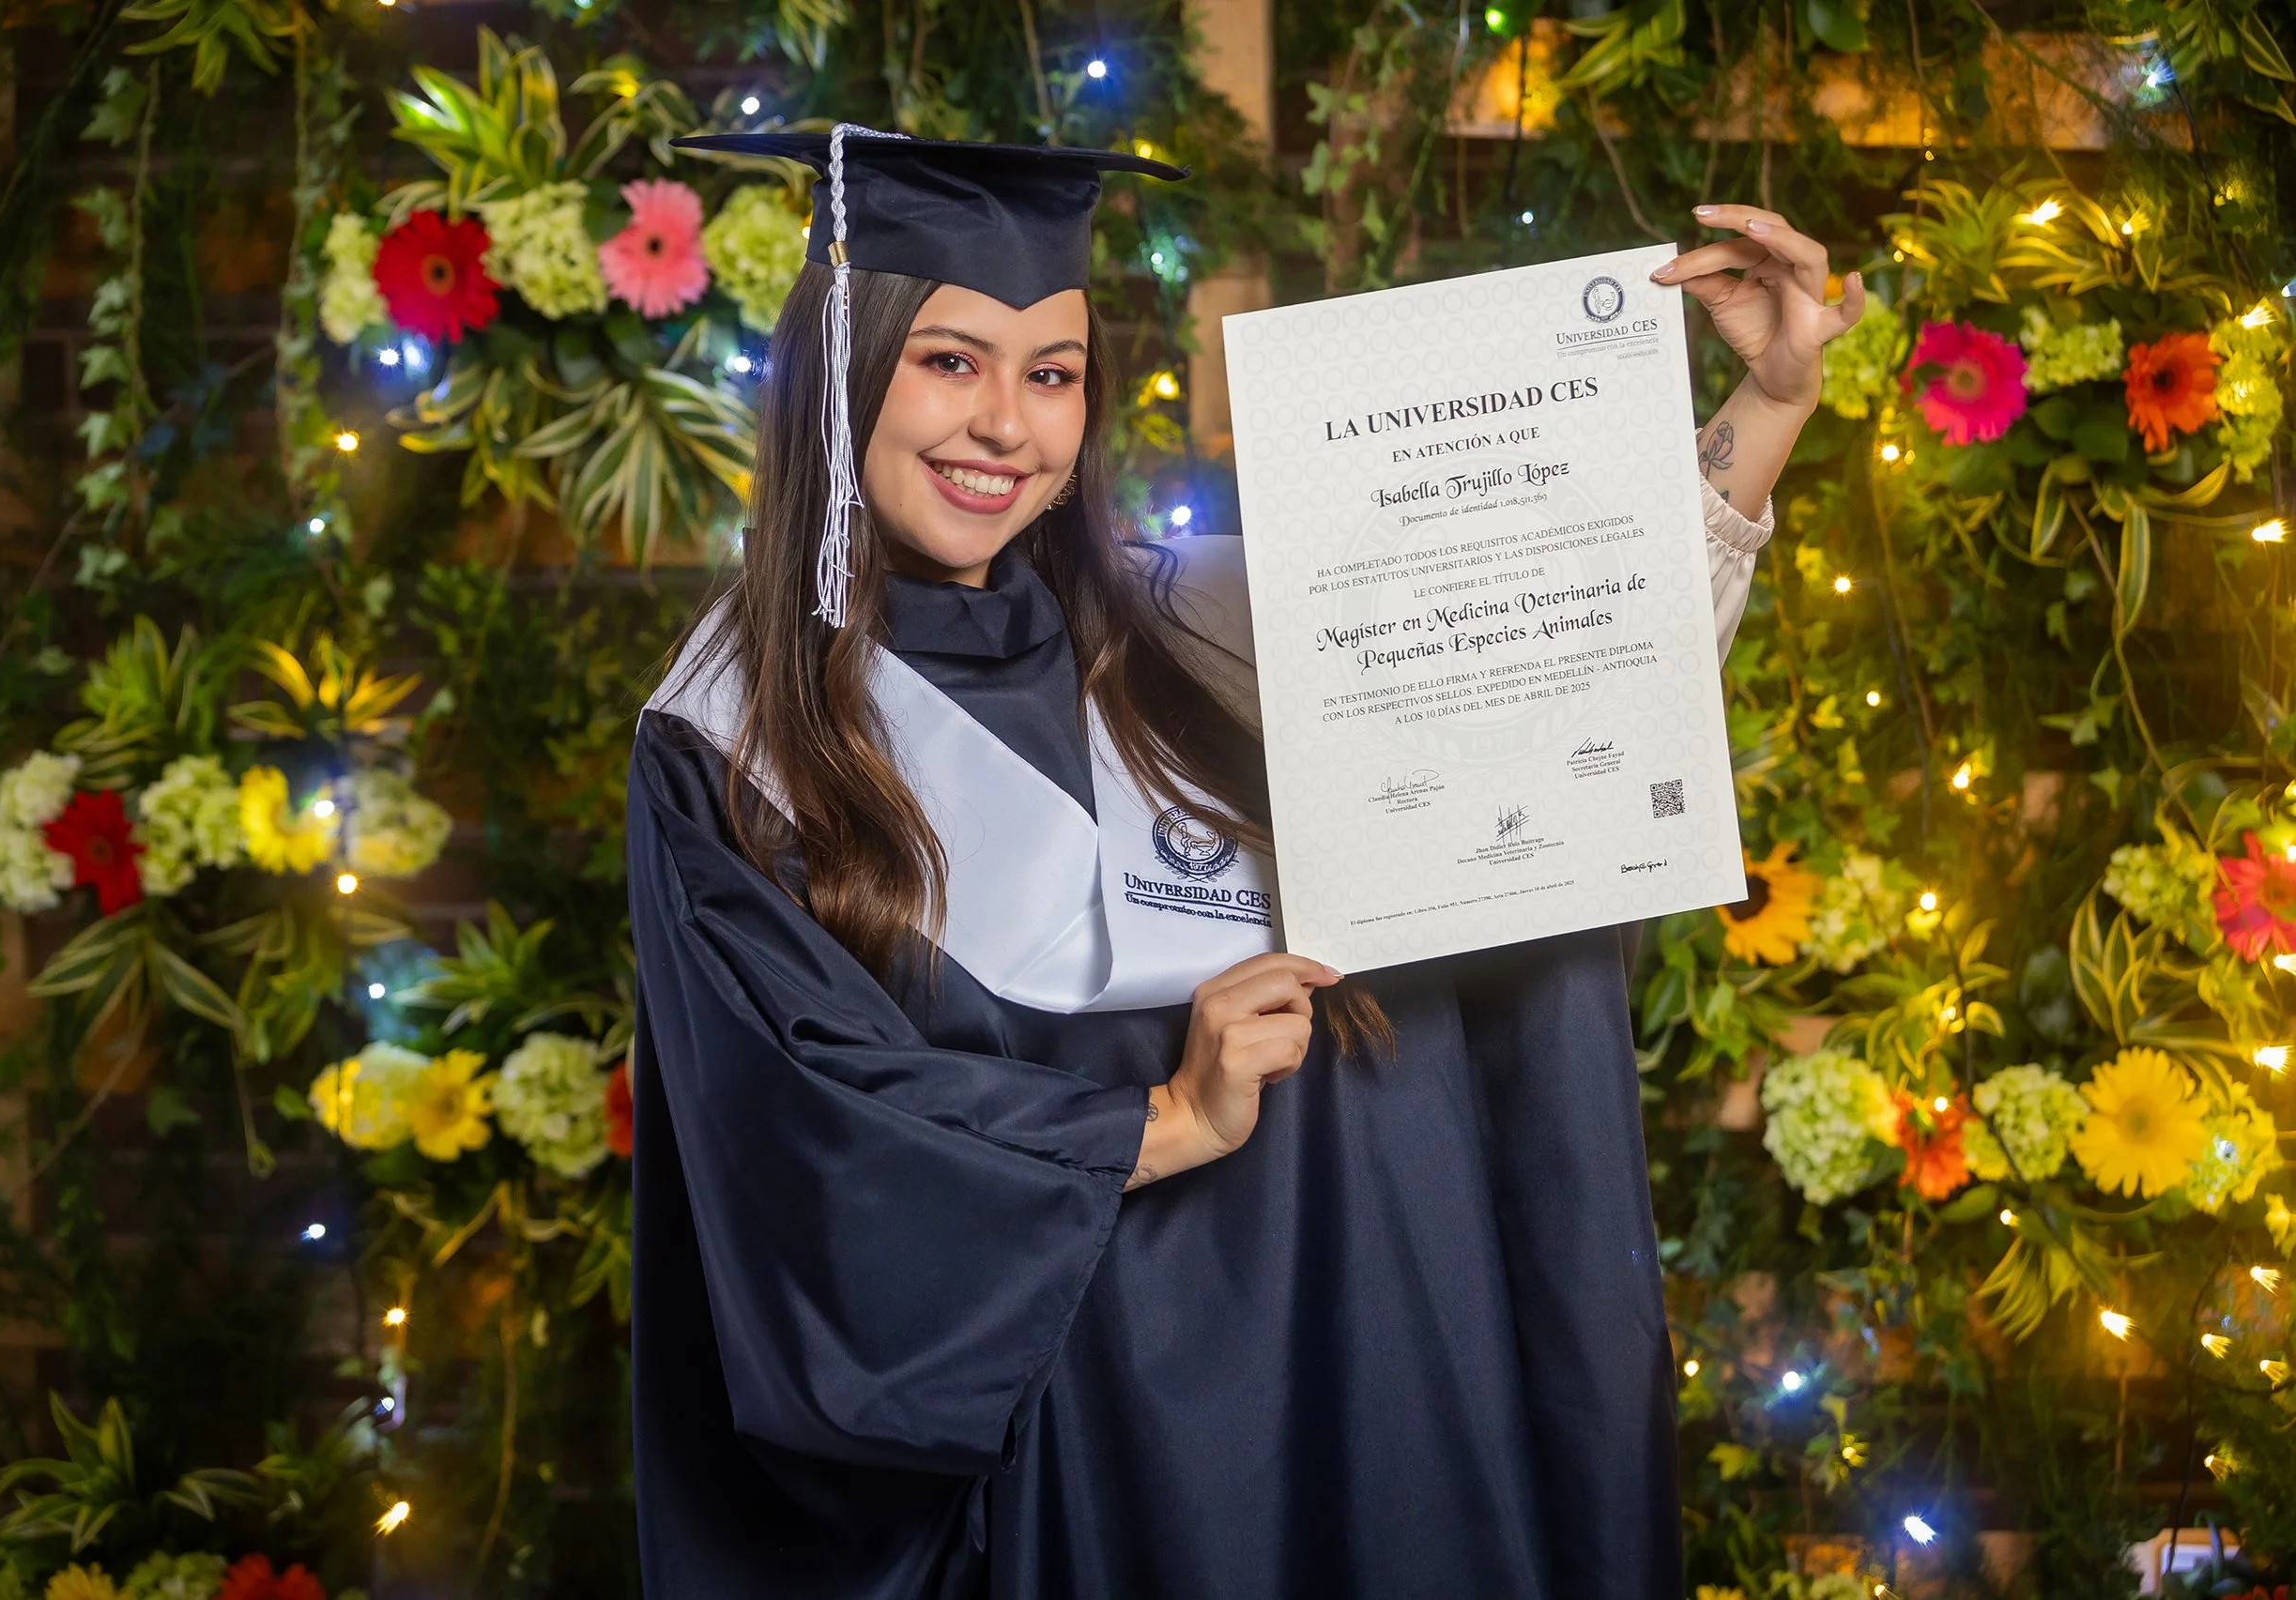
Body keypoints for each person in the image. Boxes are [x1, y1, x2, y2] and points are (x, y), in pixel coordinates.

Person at [626, 126, 1864, 1599]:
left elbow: (1551, 696)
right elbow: (798, 1121)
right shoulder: (735, 737)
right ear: (839, 369)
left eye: (1053, 371)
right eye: (950, 361)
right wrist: (1158, 1121)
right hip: (1090, 1429)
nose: (1006, 426)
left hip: (1381, 1332)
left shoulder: (1201, 619)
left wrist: (1770, 400)